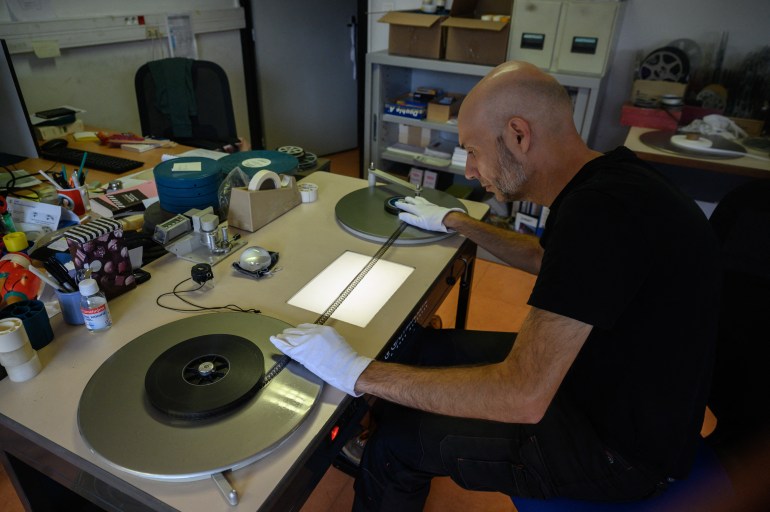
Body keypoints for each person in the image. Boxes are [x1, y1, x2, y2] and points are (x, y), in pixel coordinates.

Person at [270, 61, 722, 510]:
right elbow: (550, 261)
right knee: (416, 350)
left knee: (393, 448)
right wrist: (455, 222)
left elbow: (523, 396)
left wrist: (357, 371)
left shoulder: (600, 217)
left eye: (472, 150)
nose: (469, 171)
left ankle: (389, 460)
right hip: (596, 376)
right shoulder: (609, 181)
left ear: (518, 135)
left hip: (619, 451)